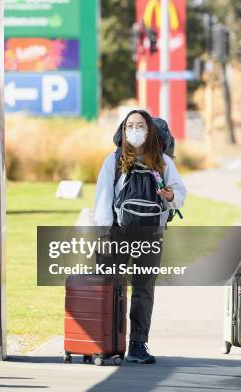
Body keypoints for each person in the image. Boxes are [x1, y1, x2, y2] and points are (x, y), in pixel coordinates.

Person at [93, 109, 187, 364]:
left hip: (150, 235)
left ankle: (137, 344)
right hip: (115, 234)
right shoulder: (112, 161)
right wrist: (103, 234)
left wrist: (170, 196)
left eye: (141, 126)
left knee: (143, 290)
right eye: (130, 126)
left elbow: (179, 195)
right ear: (122, 131)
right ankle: (107, 341)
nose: (135, 131)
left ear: (150, 131)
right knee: (110, 289)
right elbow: (103, 200)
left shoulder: (164, 162)